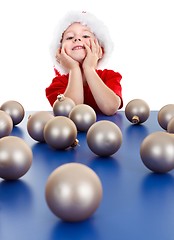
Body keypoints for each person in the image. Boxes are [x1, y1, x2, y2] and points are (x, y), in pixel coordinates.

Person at [45, 11, 123, 115]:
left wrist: (89, 68)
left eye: (85, 36)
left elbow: (110, 108)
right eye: (69, 37)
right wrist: (74, 69)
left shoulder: (110, 77)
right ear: (59, 52)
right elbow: (70, 111)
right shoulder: (57, 84)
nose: (77, 39)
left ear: (100, 49)